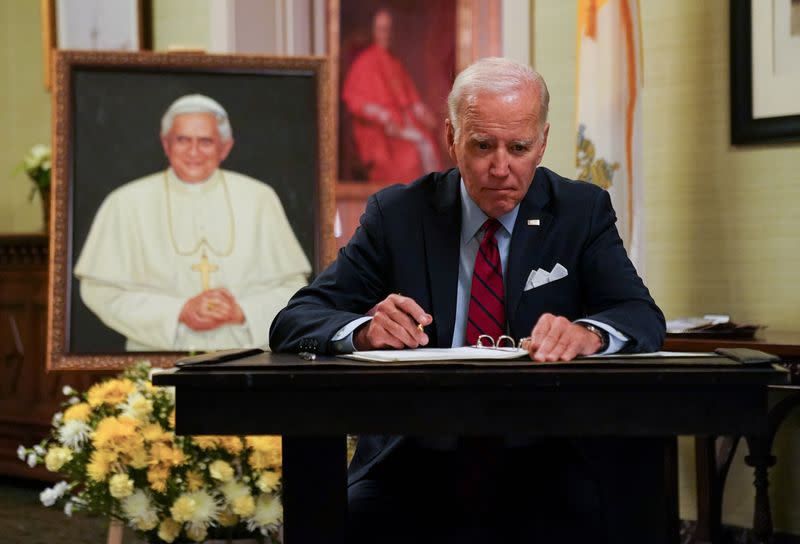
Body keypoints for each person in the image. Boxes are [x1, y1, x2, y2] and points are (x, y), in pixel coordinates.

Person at [270, 58, 666, 542]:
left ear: (543, 143)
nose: (501, 168)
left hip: (545, 456)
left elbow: (640, 316)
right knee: (341, 522)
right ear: (450, 138)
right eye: (483, 146)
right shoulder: (397, 214)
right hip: (413, 459)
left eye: (519, 148)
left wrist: (587, 334)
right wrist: (363, 331)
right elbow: (295, 319)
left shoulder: (580, 211)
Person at [75, 94, 311, 352]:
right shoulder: (124, 202)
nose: (194, 152)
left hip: (246, 356)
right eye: (183, 140)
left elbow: (293, 288)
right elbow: (100, 291)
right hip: (156, 357)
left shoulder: (259, 198)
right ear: (166, 145)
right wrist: (178, 311)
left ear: (225, 147)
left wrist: (242, 312)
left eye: (206, 141)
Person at [341, 8, 442, 183]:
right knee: (409, 155)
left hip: (400, 124)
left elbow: (410, 98)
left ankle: (431, 198)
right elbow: (355, 101)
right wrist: (382, 116)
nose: (385, 34)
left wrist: (421, 110)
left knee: (428, 142)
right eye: (381, 29)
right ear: (374, 31)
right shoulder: (364, 62)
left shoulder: (395, 62)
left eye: (388, 29)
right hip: (377, 129)